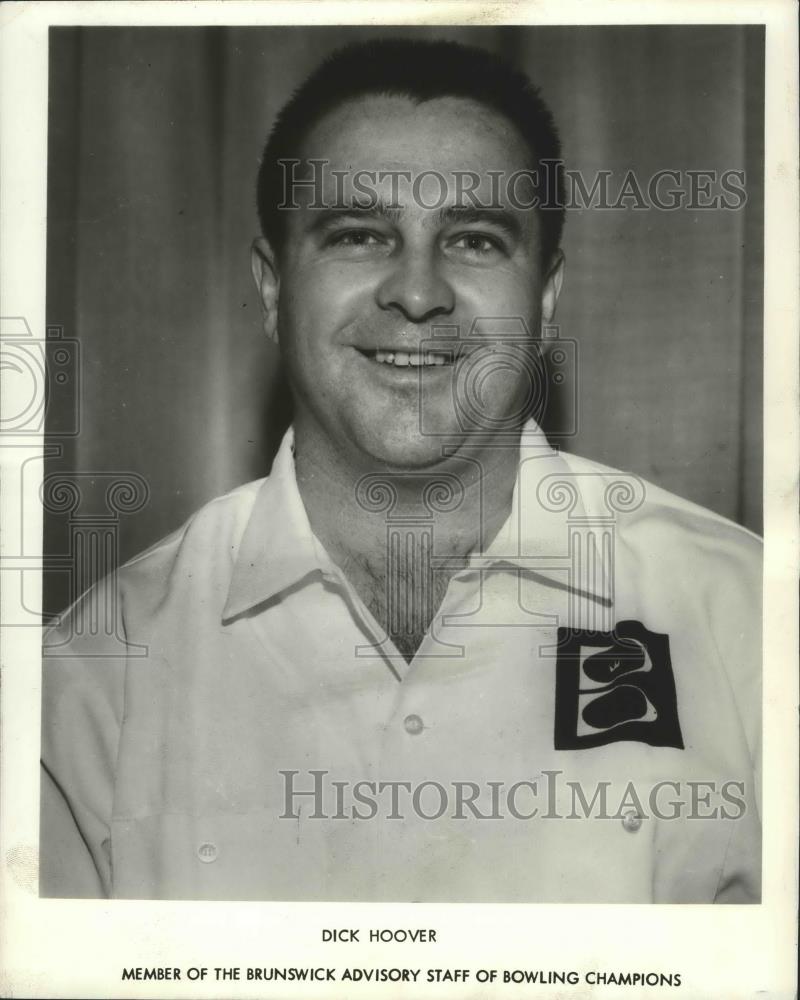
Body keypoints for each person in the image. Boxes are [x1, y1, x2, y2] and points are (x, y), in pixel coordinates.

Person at [40, 38, 761, 902]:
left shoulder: (752, 620)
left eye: (476, 239)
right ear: (272, 288)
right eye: (357, 234)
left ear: (545, 295)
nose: (418, 292)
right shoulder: (90, 674)